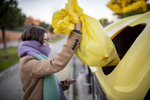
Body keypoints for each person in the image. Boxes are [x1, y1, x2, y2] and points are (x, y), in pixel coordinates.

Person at [18, 21, 82, 100]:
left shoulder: (36, 58)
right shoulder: (28, 62)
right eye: (44, 40)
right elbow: (54, 64)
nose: (48, 44)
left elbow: (41, 87)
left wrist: (62, 85)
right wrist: (76, 34)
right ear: (34, 42)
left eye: (47, 40)